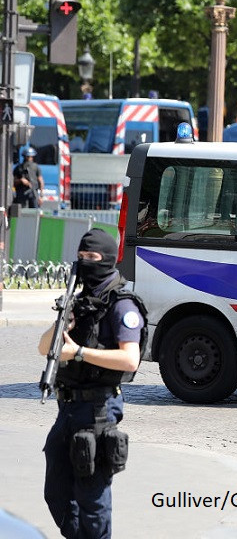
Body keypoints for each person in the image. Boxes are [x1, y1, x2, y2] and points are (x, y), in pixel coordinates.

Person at [38, 229, 147, 537]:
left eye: (92, 257)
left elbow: (130, 360)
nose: (85, 262)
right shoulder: (79, 299)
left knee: (91, 499)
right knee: (57, 493)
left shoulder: (122, 305)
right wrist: (61, 322)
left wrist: (80, 353)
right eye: (81, 256)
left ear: (108, 259)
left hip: (99, 409)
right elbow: (45, 348)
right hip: (68, 407)